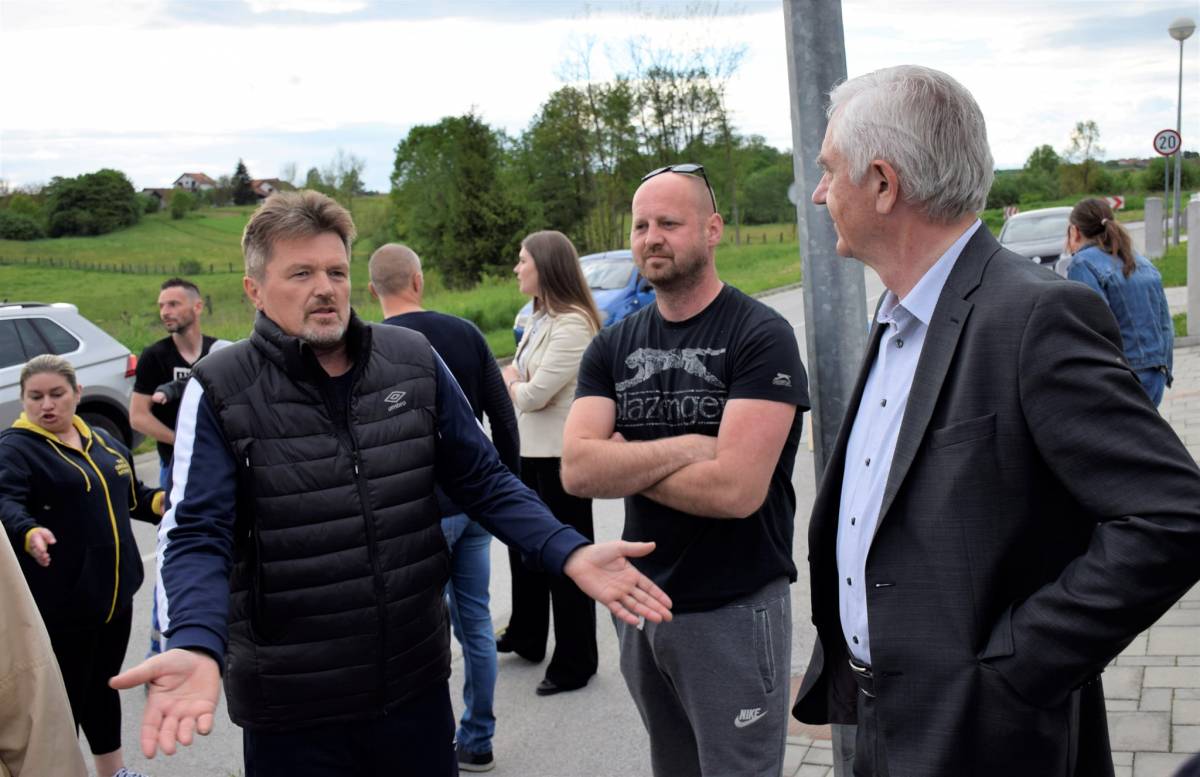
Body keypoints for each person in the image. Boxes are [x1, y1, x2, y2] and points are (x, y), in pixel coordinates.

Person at [109, 190, 673, 777]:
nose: (325, 288)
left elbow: (483, 477)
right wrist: (195, 641)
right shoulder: (222, 386)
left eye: (335, 271)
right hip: (292, 706)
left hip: (413, 687)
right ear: (255, 289)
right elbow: (196, 532)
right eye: (301, 273)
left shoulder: (411, 358)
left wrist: (567, 549)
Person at [790, 65, 1200, 777]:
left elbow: (1173, 515)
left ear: (883, 184)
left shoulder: (1034, 314)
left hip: (989, 736)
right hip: (885, 718)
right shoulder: (898, 313)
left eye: (828, 170)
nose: (821, 193)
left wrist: (1018, 666)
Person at [561, 165, 810, 777]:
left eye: (669, 223)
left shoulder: (760, 336)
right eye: (641, 225)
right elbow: (577, 470)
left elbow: (736, 491)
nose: (651, 237)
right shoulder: (613, 345)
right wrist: (693, 447)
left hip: (733, 609)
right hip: (642, 606)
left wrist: (625, 460)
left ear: (712, 229)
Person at [368, 242, 517, 772]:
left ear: (372, 290)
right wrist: (508, 496)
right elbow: (503, 418)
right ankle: (478, 738)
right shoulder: (465, 332)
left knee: (412, 632)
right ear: (418, 280)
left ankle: (422, 745)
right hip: (473, 504)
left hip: (411, 515)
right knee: (474, 622)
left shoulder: (372, 346)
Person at [0, 354, 164, 777]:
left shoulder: (103, 441)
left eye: (56, 394)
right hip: (62, 607)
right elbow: (6, 502)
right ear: (23, 399)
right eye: (35, 396)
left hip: (113, 600)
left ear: (77, 393)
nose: (46, 405)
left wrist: (167, 503)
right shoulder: (15, 449)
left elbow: (134, 497)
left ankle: (113, 771)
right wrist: (28, 531)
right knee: (63, 701)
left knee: (104, 685)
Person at [496, 230, 602, 697]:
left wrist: (513, 382)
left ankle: (577, 660)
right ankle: (527, 633)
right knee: (526, 551)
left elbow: (533, 394)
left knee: (567, 560)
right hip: (530, 452)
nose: (517, 268)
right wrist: (518, 379)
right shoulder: (541, 318)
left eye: (523, 260)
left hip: (561, 460)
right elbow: (524, 377)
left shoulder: (573, 323)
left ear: (546, 266)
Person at [130, 277, 217, 658]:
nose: (165, 312)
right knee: (176, 554)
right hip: (174, 474)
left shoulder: (217, 352)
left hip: (218, 471)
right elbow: (138, 417)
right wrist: (182, 443)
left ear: (197, 307)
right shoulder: (155, 357)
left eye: (173, 304)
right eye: (162, 305)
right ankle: (159, 647)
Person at [1065, 197, 1174, 406]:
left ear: (1075, 231)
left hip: (1121, 376)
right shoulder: (1140, 261)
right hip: (1155, 373)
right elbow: (1165, 323)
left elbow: (1095, 327)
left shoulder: (1082, 263)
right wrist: (1165, 369)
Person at [0, 527, 88, 777]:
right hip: (62, 603)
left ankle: (113, 765)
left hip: (94, 598)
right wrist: (26, 529)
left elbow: (24, 677)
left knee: (99, 686)